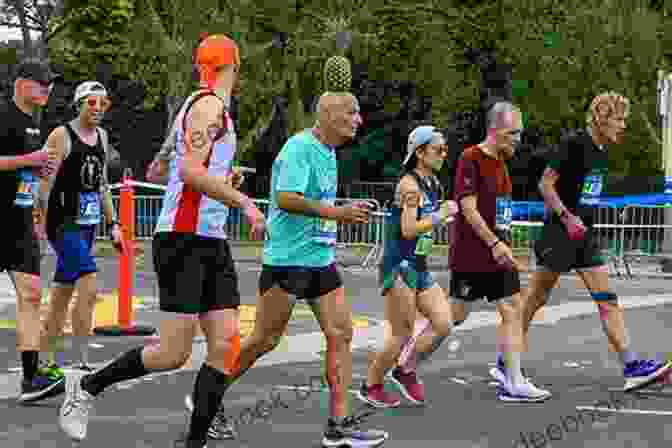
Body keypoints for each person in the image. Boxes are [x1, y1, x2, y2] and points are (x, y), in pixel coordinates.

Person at [58, 34, 267, 447]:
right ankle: (86, 387)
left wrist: (224, 178)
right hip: (183, 238)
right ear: (234, 67)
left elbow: (162, 170)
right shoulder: (209, 107)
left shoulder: (197, 107)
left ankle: (195, 441)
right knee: (174, 352)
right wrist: (244, 201)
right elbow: (189, 171)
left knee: (225, 343)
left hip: (209, 237)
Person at [197, 91, 389, 448]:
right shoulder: (298, 148)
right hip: (287, 260)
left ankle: (339, 424)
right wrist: (338, 213)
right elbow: (286, 198)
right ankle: (208, 393)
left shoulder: (330, 152)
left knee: (341, 333)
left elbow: (318, 201)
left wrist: (341, 211)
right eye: (353, 112)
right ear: (330, 115)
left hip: (320, 259)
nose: (359, 120)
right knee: (265, 340)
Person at [518, 92, 672, 392]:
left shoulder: (601, 150)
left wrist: (582, 222)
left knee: (608, 299)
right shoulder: (574, 144)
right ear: (602, 119)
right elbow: (545, 184)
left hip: (583, 237)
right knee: (534, 301)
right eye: (619, 119)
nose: (623, 126)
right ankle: (506, 361)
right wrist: (567, 217)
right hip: (559, 233)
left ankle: (632, 366)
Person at [450, 102, 551, 402]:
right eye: (513, 132)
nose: (518, 138)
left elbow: (501, 213)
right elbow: (467, 208)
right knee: (454, 316)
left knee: (513, 308)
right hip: (473, 253)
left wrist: (505, 244)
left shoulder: (502, 164)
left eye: (520, 132)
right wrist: (494, 243)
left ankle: (513, 378)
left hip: (498, 254)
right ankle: (405, 360)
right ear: (494, 131)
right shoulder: (471, 157)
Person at [356, 126, 458, 408]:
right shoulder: (409, 186)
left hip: (419, 265)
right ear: (420, 152)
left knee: (443, 323)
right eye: (438, 149)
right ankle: (371, 385)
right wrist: (440, 215)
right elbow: (409, 228)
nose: (444, 154)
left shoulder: (434, 183)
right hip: (398, 265)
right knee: (401, 333)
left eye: (445, 149)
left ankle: (405, 369)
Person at [38, 81, 123, 373]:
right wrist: (38, 230)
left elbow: (101, 185)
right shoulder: (61, 136)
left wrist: (113, 224)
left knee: (62, 294)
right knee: (89, 283)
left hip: (87, 226)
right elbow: (43, 187)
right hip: (62, 224)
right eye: (92, 103)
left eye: (104, 104)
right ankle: (83, 361)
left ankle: (44, 360)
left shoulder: (102, 136)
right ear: (79, 104)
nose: (98, 109)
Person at [0, 58, 62, 403]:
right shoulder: (4, 116)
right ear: (21, 83)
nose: (47, 89)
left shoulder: (34, 124)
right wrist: (31, 161)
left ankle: (31, 377)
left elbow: (24, 169)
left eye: (49, 83)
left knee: (31, 294)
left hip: (19, 219)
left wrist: (38, 172)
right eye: (41, 83)